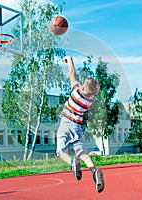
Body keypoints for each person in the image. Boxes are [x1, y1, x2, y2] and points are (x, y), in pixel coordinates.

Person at [56, 56, 104, 193]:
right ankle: (94, 172)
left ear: (82, 86)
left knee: (60, 151)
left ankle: (72, 162)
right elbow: (76, 78)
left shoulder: (75, 91)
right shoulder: (89, 101)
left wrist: (69, 60)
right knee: (83, 153)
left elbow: (72, 73)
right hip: (77, 127)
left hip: (65, 123)